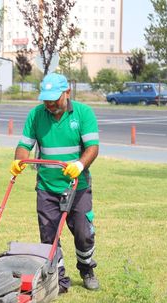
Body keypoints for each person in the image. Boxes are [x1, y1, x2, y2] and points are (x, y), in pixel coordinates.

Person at [10, 73, 100, 291]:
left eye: (54, 99)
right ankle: (58, 279)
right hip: (46, 188)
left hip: (77, 187)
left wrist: (79, 165)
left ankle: (87, 268)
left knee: (83, 233)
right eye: (46, 99)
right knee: (49, 237)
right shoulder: (36, 115)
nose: (49, 104)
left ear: (67, 93)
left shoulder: (83, 113)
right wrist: (19, 161)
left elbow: (92, 148)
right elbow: (24, 145)